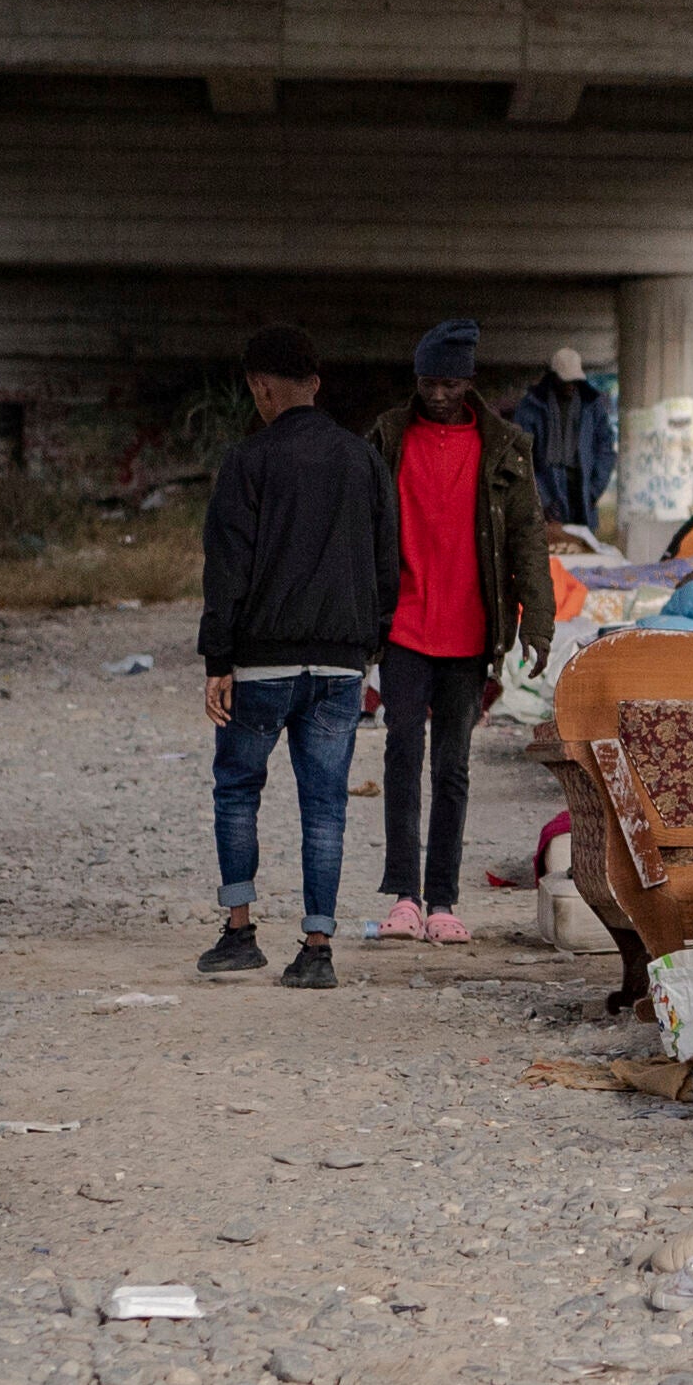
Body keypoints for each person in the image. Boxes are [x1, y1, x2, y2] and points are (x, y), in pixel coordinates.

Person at [193, 324, 389, 987]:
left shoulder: (248, 462)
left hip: (261, 663)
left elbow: (226, 570)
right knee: (325, 804)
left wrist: (218, 659)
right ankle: (317, 949)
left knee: (238, 790)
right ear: (317, 383)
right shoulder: (362, 460)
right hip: (339, 665)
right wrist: (369, 645)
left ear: (263, 387)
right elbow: (387, 562)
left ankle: (240, 932)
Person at [364, 319, 550, 942]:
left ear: (468, 381)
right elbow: (361, 531)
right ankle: (404, 897)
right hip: (404, 627)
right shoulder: (389, 437)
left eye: (449, 382)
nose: (438, 394)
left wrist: (538, 627)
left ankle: (442, 900)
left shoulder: (506, 448)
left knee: (452, 767)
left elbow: (528, 539)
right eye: (428, 381)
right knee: (400, 753)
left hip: (471, 633)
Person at [511, 345, 617, 532]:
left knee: (583, 549)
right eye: (565, 380)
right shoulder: (531, 406)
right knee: (551, 550)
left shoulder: (592, 404)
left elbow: (605, 448)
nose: (571, 385)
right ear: (553, 377)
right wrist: (541, 498)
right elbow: (521, 454)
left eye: (575, 380)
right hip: (547, 486)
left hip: (583, 488)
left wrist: (594, 490)